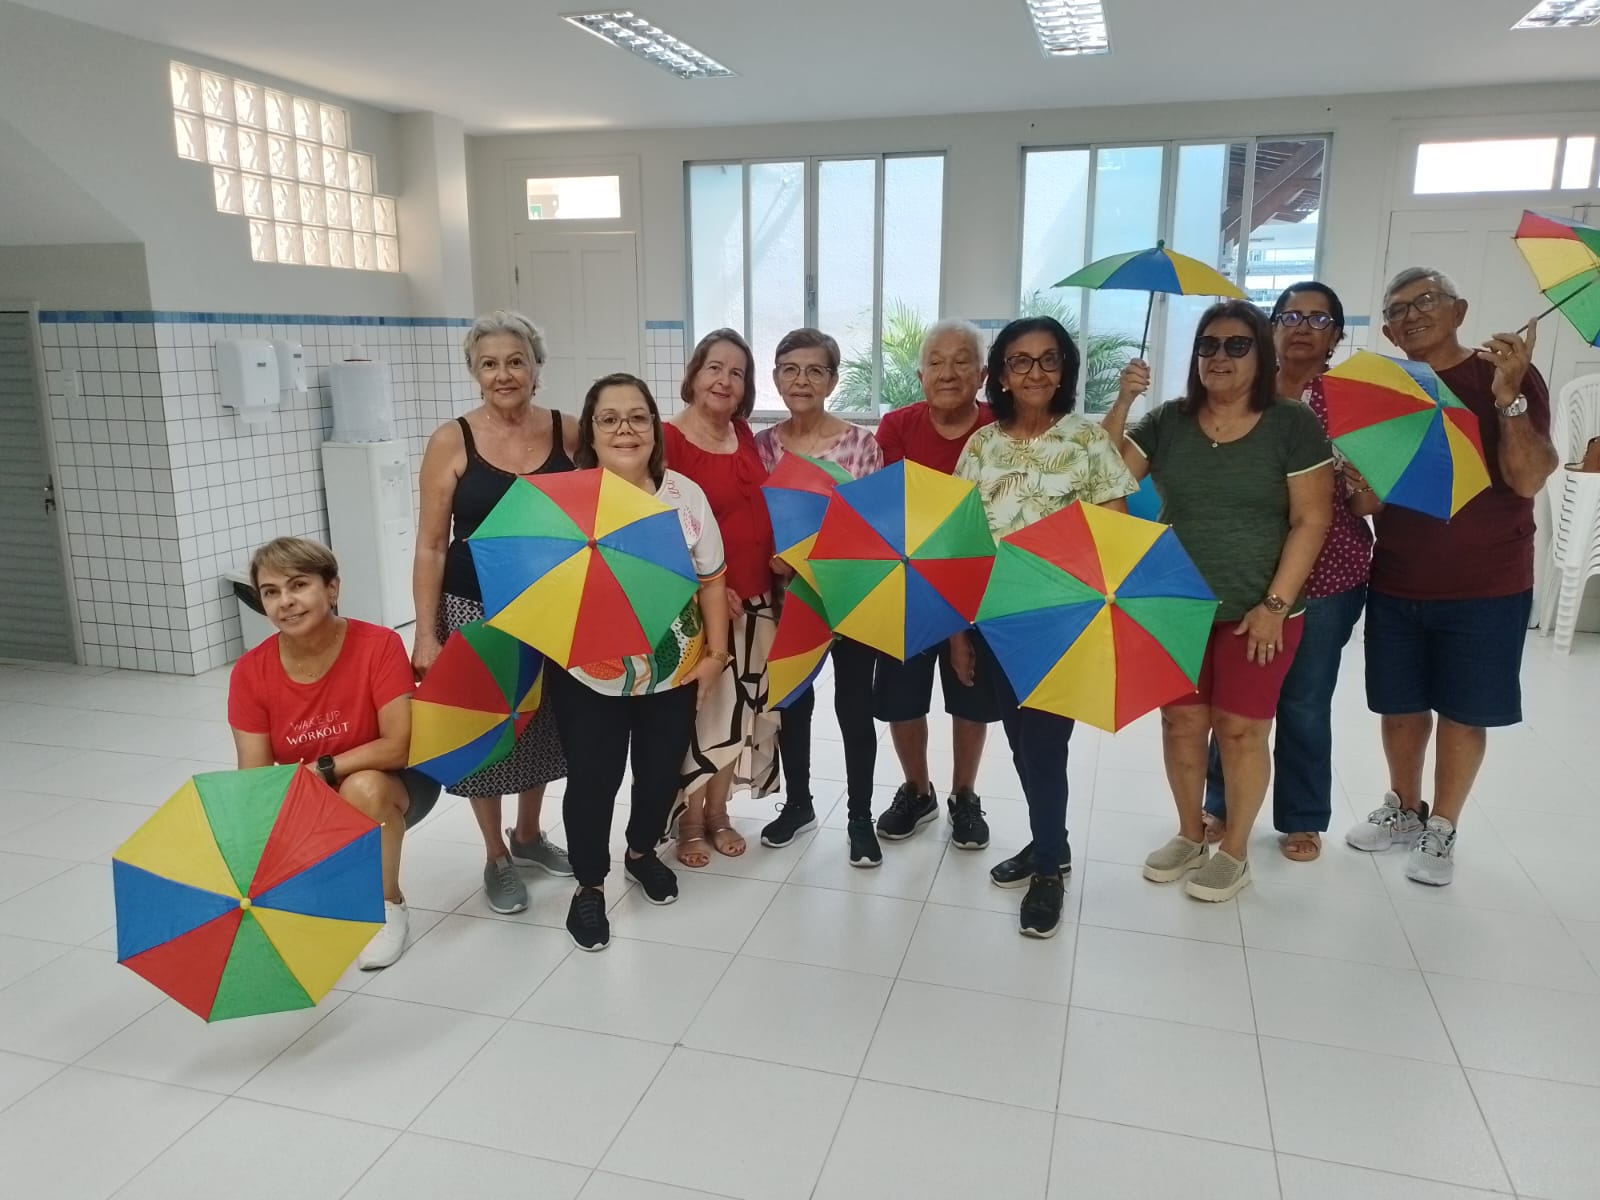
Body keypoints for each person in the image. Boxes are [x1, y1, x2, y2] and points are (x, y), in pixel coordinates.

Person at [1104, 300, 1333, 902]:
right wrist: (1125, 402)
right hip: (1177, 605)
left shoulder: (1291, 424)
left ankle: (1234, 850)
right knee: (1181, 724)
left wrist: (1275, 606)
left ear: (1260, 352)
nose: (1220, 357)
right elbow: (1105, 478)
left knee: (1239, 732)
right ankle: (1189, 832)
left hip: (1260, 610)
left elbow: (1312, 519)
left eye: (1236, 345)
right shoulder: (1169, 421)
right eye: (1208, 345)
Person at [1343, 268, 1557, 885]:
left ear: (1458, 310)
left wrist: (1508, 398)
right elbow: (1374, 500)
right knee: (1401, 707)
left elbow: (1528, 477)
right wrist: (1362, 487)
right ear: (1386, 329)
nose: (1411, 315)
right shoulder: (1389, 388)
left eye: (1426, 301)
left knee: (1464, 712)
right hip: (1400, 577)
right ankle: (1404, 809)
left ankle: (1444, 827)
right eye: (1397, 310)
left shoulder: (1505, 376)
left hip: (1489, 584)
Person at [955, 316, 1139, 937]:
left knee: (1045, 746)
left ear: (1065, 368)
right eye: (1020, 361)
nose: (1035, 372)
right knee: (1019, 740)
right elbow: (959, 545)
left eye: (1048, 359)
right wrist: (960, 632)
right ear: (1001, 374)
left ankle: (1049, 870)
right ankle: (1047, 842)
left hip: (1061, 619)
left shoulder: (1087, 440)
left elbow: (1115, 533)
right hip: (994, 619)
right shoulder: (980, 446)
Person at [552, 374, 731, 950]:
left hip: (673, 665)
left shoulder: (684, 496)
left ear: (655, 427)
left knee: (657, 773)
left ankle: (639, 852)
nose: (625, 429)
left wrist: (718, 655)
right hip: (586, 670)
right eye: (609, 418)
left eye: (638, 416)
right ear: (592, 432)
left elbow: (712, 580)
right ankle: (587, 886)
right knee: (593, 779)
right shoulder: (568, 500)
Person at [1201, 283, 1378, 862]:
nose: (1303, 326)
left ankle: (1301, 816)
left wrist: (1359, 489)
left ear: (1336, 334)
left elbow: (1371, 500)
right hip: (1241, 573)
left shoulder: (1353, 400)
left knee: (1303, 700)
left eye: (1319, 317)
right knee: (1233, 703)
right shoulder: (1239, 393)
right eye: (1291, 315)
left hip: (1325, 578)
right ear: (1269, 328)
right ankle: (1220, 805)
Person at [412, 310, 573, 916]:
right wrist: (426, 634)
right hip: (471, 605)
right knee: (486, 728)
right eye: (490, 364)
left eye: (515, 361)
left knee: (543, 722)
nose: (504, 374)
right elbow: (430, 543)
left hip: (549, 605)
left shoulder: (569, 432)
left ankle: (528, 836)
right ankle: (494, 855)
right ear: (474, 374)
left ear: (536, 367)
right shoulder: (452, 440)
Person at [228, 537, 438, 970]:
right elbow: (253, 780)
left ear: (332, 589)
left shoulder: (377, 645)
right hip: (311, 797)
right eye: (270, 592)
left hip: (392, 783)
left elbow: (398, 746)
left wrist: (323, 769)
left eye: (298, 585)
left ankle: (388, 906)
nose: (285, 602)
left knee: (362, 788)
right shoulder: (250, 673)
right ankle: (330, 880)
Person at [872, 319, 1004, 862]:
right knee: (903, 699)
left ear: (982, 372)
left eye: (962, 360)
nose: (948, 372)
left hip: (981, 589)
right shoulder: (898, 427)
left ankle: (964, 795)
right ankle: (919, 791)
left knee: (969, 697)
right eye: (936, 361)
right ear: (921, 373)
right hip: (907, 585)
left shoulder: (1000, 428)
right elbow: (886, 510)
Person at [754, 328, 886, 866]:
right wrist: (776, 559)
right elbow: (755, 522)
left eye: (815, 370)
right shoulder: (761, 446)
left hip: (849, 600)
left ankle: (860, 818)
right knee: (793, 705)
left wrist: (811, 556)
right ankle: (799, 804)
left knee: (855, 708)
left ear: (833, 380)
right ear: (776, 377)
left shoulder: (861, 444)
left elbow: (873, 529)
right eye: (790, 369)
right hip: (786, 602)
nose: (801, 380)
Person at [663, 328, 781, 867]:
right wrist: (709, 586)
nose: (725, 380)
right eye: (714, 367)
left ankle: (718, 812)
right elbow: (656, 527)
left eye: (737, 372)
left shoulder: (745, 435)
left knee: (740, 713)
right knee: (702, 713)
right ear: (693, 374)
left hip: (759, 600)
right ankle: (687, 821)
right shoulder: (669, 440)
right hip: (703, 605)